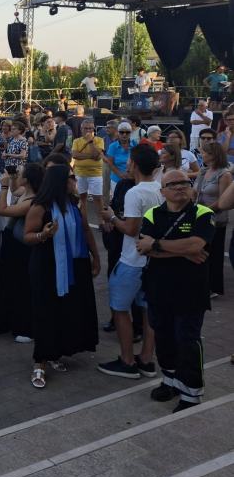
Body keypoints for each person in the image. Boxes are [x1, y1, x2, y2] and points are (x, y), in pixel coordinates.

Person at [138, 169, 214, 411]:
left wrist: (159, 245)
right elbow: (143, 247)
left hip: (190, 291)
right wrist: (182, 251)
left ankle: (191, 393)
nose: (180, 186)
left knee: (187, 339)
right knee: (164, 337)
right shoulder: (152, 214)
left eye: (185, 182)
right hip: (158, 289)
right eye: (173, 184)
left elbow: (197, 244)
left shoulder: (203, 213)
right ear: (162, 191)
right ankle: (170, 381)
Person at [24, 165, 100, 388]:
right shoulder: (40, 206)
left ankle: (56, 352)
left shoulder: (74, 203)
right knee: (46, 311)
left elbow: (86, 230)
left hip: (75, 264)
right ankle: (40, 362)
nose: (74, 181)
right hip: (48, 266)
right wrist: (43, 234)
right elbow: (27, 236)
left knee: (66, 309)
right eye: (71, 177)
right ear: (58, 181)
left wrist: (96, 257)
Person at [97, 144, 162, 380]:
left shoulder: (135, 192)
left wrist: (112, 217)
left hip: (133, 261)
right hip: (152, 261)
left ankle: (127, 360)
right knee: (147, 311)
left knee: (119, 308)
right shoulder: (159, 189)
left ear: (133, 164)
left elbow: (131, 229)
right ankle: (146, 359)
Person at [0, 163, 44, 343]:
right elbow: (16, 190)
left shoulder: (32, 200)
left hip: (22, 248)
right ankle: (3, 321)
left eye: (20, 174)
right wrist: (12, 180)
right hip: (11, 244)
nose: (17, 175)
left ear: (27, 180)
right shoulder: (25, 192)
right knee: (6, 282)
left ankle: (25, 327)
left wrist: (4, 186)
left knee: (22, 286)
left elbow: (2, 210)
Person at [194, 141, 230, 299]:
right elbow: (195, 191)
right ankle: (202, 284)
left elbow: (224, 201)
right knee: (201, 250)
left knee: (214, 253)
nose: (202, 155)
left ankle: (213, 287)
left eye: (204, 153)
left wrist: (206, 210)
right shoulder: (203, 171)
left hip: (215, 218)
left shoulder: (224, 174)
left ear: (213, 155)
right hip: (200, 216)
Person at [72, 119, 104, 219]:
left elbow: (97, 156)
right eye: (86, 128)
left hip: (95, 174)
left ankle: (101, 221)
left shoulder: (99, 140)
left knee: (97, 198)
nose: (88, 130)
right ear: (81, 129)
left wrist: (90, 142)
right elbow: (75, 155)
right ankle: (84, 219)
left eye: (90, 128)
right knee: (82, 198)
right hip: (80, 174)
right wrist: (91, 156)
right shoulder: (76, 141)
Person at [104, 122, 133, 195]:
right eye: (122, 132)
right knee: (117, 202)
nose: (124, 134)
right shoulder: (113, 146)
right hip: (117, 179)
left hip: (132, 179)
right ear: (118, 133)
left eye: (127, 132)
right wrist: (120, 174)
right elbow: (110, 163)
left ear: (130, 133)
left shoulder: (135, 144)